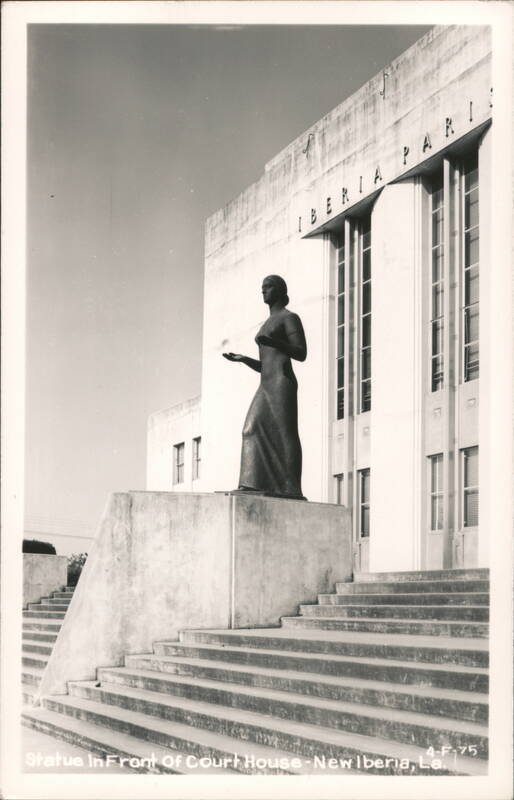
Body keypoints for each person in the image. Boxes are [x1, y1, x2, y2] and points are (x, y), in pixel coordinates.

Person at [223, 274, 307, 499]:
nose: (263, 291)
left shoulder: (289, 317)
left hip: (282, 382)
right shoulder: (267, 322)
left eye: (268, 287)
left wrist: (274, 342)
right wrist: (244, 359)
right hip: (266, 383)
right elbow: (265, 366)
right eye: (262, 287)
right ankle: (252, 483)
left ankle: (292, 488)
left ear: (279, 290)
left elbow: (301, 353)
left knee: (286, 432)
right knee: (250, 429)